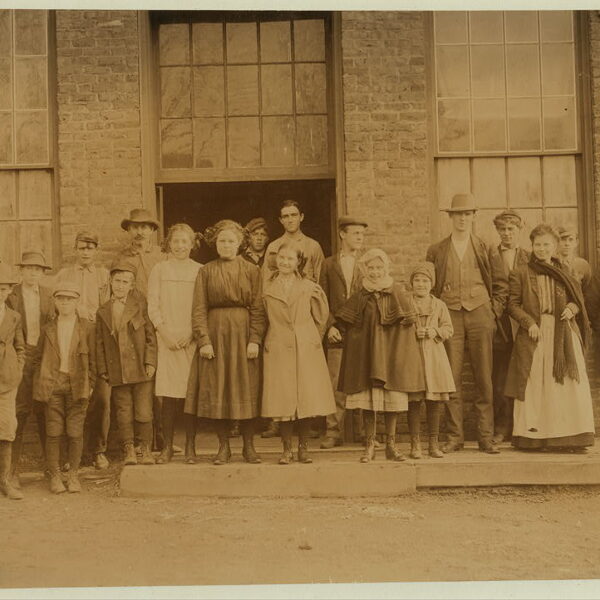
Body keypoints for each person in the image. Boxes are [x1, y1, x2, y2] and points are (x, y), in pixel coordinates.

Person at [426, 193, 508, 454]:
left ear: (473, 217)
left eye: (467, 214)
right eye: (458, 214)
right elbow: (428, 286)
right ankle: (455, 437)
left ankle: (485, 437)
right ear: (451, 217)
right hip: (450, 316)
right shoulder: (436, 250)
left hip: (480, 315)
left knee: (484, 377)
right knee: (451, 378)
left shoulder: (485, 247)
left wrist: (492, 312)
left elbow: (501, 285)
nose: (463, 219)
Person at [505, 223, 595, 452]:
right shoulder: (522, 273)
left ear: (554, 246)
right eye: (538, 245)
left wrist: (573, 308)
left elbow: (578, 299)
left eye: (546, 245)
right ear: (532, 246)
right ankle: (534, 438)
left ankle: (570, 437)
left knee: (567, 383)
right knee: (536, 384)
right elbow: (512, 305)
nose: (542, 249)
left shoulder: (565, 270)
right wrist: (529, 322)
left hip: (563, 332)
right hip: (536, 334)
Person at [185, 220, 266, 465]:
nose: (226, 245)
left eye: (231, 241)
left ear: (241, 243)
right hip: (216, 333)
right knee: (218, 386)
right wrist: (204, 341)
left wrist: (255, 339)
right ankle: (223, 447)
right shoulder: (206, 271)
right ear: (215, 243)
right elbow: (198, 309)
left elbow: (258, 308)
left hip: (243, 335)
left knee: (247, 387)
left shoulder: (252, 271)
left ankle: (249, 447)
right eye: (222, 241)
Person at [336, 249, 422, 463]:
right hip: (368, 356)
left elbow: (407, 326)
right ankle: (370, 446)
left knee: (391, 400)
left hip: (391, 355)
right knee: (369, 403)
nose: (375, 272)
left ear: (386, 268)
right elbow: (348, 323)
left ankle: (391, 446)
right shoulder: (360, 294)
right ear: (365, 270)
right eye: (371, 268)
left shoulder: (398, 292)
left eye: (379, 267)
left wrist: (398, 355)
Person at [262, 242, 335, 464]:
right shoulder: (267, 287)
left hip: (305, 347)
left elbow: (321, 317)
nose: (284, 262)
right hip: (277, 345)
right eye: (281, 258)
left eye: (290, 259)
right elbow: (262, 317)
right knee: (283, 401)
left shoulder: (309, 287)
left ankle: (303, 448)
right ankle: (286, 449)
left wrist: (309, 336)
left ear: (298, 263)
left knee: (306, 399)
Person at [33, 279, 95, 494]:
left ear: (77, 301)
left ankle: (73, 476)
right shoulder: (48, 328)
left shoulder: (87, 328)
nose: (65, 303)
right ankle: (55, 476)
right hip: (53, 385)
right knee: (53, 432)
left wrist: (91, 384)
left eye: (70, 299)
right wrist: (41, 384)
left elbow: (95, 360)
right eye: (61, 299)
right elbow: (38, 358)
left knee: (75, 432)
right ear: (55, 302)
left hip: (77, 385)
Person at [57, 231, 111, 470]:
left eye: (90, 248)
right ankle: (70, 455)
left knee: (101, 396)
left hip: (97, 338)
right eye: (81, 248)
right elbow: (57, 306)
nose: (85, 252)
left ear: (96, 250)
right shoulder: (64, 274)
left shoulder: (104, 275)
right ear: (75, 250)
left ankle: (98, 449)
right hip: (70, 338)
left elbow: (108, 308)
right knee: (73, 396)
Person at [147, 224, 201, 464]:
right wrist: (164, 331)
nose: (180, 246)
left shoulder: (200, 271)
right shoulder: (159, 269)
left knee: (190, 395)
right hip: (167, 341)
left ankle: (190, 447)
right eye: (176, 241)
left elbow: (202, 307)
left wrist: (192, 333)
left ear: (192, 244)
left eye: (185, 241)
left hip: (190, 340)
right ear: (169, 243)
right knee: (168, 397)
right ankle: (167, 447)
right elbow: (153, 305)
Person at [114, 208, 166, 453]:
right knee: (141, 381)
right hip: (136, 326)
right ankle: (141, 443)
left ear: (153, 231)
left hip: (160, 323)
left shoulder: (161, 256)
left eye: (145, 227)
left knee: (162, 385)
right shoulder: (122, 258)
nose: (140, 231)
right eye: (135, 227)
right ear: (129, 230)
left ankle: (162, 438)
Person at [96, 261, 157, 466]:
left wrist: (150, 361)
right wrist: (104, 369)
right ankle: (129, 449)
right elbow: (100, 344)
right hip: (117, 370)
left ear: (132, 285)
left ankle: (146, 449)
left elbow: (150, 337)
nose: (121, 286)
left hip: (140, 367)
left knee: (144, 410)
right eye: (117, 281)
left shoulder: (140, 306)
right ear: (111, 282)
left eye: (125, 282)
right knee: (123, 411)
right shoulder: (103, 311)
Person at [7, 251, 55, 489]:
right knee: (19, 412)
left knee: (45, 410)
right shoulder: (11, 296)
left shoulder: (48, 296)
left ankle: (51, 467)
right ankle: (11, 471)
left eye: (37, 269)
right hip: (21, 355)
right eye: (28, 268)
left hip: (43, 357)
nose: (33, 272)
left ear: (42, 273)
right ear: (21, 271)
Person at [319, 215, 367, 449]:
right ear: (342, 234)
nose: (360, 238)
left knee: (362, 381)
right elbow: (320, 299)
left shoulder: (367, 263)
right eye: (355, 233)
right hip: (337, 331)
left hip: (360, 331)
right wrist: (329, 327)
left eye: (362, 234)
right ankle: (333, 431)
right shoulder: (328, 265)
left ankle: (363, 432)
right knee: (335, 382)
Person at [489, 211, 529, 444]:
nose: (507, 233)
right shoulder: (490, 255)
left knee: (526, 375)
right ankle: (501, 427)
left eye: (511, 229)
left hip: (524, 323)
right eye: (502, 229)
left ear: (519, 230)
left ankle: (524, 426)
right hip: (499, 325)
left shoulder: (529, 257)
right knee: (500, 377)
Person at [0, 264, 26, 500]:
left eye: (3, 288)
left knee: (7, 429)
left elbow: (20, 347)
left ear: (9, 291)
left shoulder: (14, 317)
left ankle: (5, 481)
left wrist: (17, 370)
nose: (0, 292)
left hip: (7, 381)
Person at [263, 200, 325, 283]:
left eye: (294, 215)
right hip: (280, 295)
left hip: (306, 294)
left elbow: (321, 280)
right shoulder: (273, 247)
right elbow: (266, 280)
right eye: (286, 216)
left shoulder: (313, 246)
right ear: (281, 220)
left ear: (301, 217)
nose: (290, 220)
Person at [556, 226, 591, 292]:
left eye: (571, 239)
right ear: (557, 242)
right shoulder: (551, 263)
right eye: (563, 239)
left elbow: (586, 291)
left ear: (576, 242)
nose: (567, 243)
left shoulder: (583, 265)